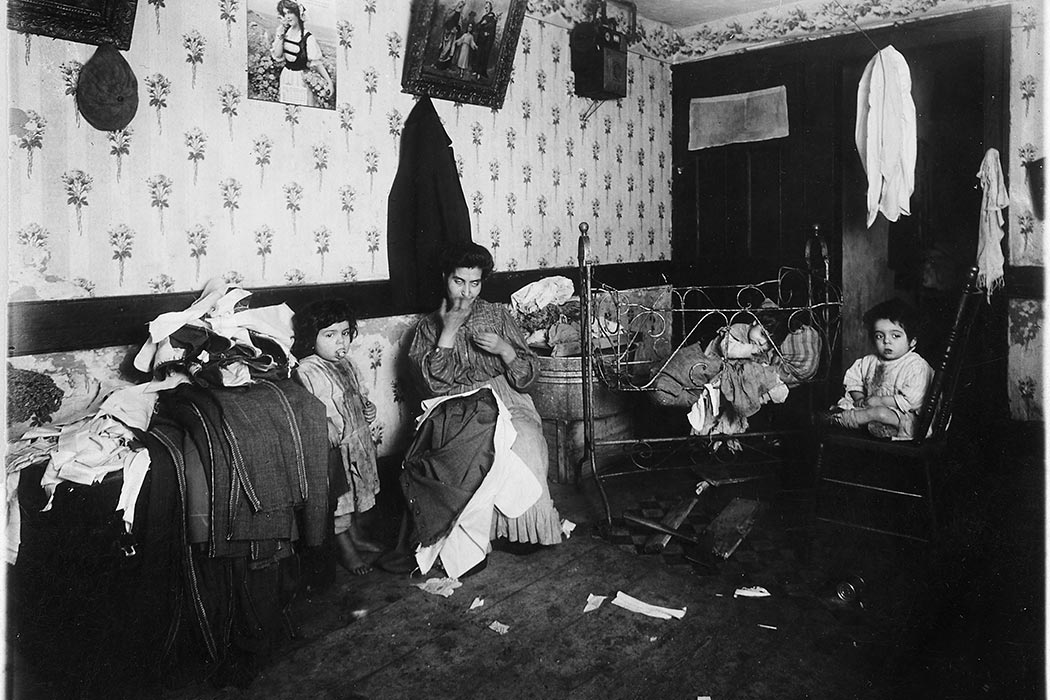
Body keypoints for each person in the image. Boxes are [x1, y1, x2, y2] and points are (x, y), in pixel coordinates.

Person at [408, 242, 563, 550]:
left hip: (505, 398)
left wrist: (505, 351)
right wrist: (448, 333)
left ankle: (524, 531)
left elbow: (528, 376)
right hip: (455, 405)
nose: (466, 292)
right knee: (469, 451)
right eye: (458, 281)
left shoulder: (496, 315)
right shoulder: (428, 326)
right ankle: (479, 536)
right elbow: (432, 387)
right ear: (444, 277)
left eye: (475, 283)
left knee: (526, 440)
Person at [293, 299, 383, 575]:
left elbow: (359, 395)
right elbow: (308, 412)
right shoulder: (306, 370)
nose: (340, 342)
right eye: (329, 335)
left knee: (358, 493)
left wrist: (368, 409)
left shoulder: (348, 364)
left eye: (345, 333)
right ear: (312, 337)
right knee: (340, 502)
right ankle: (345, 547)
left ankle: (354, 535)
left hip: (357, 441)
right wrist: (325, 427)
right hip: (335, 451)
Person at [828, 298, 934, 439]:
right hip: (870, 408)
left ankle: (842, 420)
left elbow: (913, 400)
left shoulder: (916, 365)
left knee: (880, 413)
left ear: (912, 341)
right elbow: (854, 379)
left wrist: (881, 401)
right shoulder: (869, 361)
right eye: (879, 336)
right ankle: (877, 427)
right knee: (852, 406)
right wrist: (859, 397)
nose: (886, 341)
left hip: (905, 419)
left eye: (895, 336)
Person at [269, 0, 332, 107]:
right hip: (286, 76)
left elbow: (317, 63)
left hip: (301, 78)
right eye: (285, 14)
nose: (287, 17)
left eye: (290, 12)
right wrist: (281, 34)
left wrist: (329, 82)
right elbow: (278, 55)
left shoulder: (308, 38)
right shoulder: (283, 32)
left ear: (298, 13)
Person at [434, 1, 465, 71]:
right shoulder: (451, 12)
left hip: (452, 35)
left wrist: (456, 29)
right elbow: (446, 20)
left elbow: (459, 25)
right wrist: (449, 28)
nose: (461, 6)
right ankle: (438, 64)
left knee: (449, 49)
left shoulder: (460, 15)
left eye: (462, 5)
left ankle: (445, 66)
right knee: (443, 49)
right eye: (461, 4)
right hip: (447, 32)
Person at [473, 2, 499, 80]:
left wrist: (485, 27)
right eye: (485, 7)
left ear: (490, 8)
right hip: (481, 40)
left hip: (487, 42)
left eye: (487, 7)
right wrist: (482, 24)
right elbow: (478, 26)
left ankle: (480, 73)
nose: (486, 9)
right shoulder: (484, 17)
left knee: (483, 57)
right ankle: (476, 71)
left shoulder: (492, 18)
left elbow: (491, 28)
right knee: (478, 55)